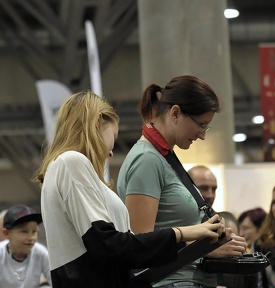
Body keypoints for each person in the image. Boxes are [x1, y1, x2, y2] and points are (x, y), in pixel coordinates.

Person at [34, 91, 228, 288]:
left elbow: (124, 248)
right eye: (114, 137)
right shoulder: (71, 162)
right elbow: (110, 246)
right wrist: (184, 233)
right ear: (97, 122)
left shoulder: (63, 167)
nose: (110, 152)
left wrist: (192, 239)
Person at [117, 75, 247, 288]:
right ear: (175, 113)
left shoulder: (161, 157)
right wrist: (205, 247)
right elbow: (141, 244)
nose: (203, 135)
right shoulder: (147, 160)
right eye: (201, 125)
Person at [0, 204, 51, 288]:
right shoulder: (1, 253)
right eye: (24, 231)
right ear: (7, 233)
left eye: (34, 232)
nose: (31, 237)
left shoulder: (41, 253)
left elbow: (58, 282)